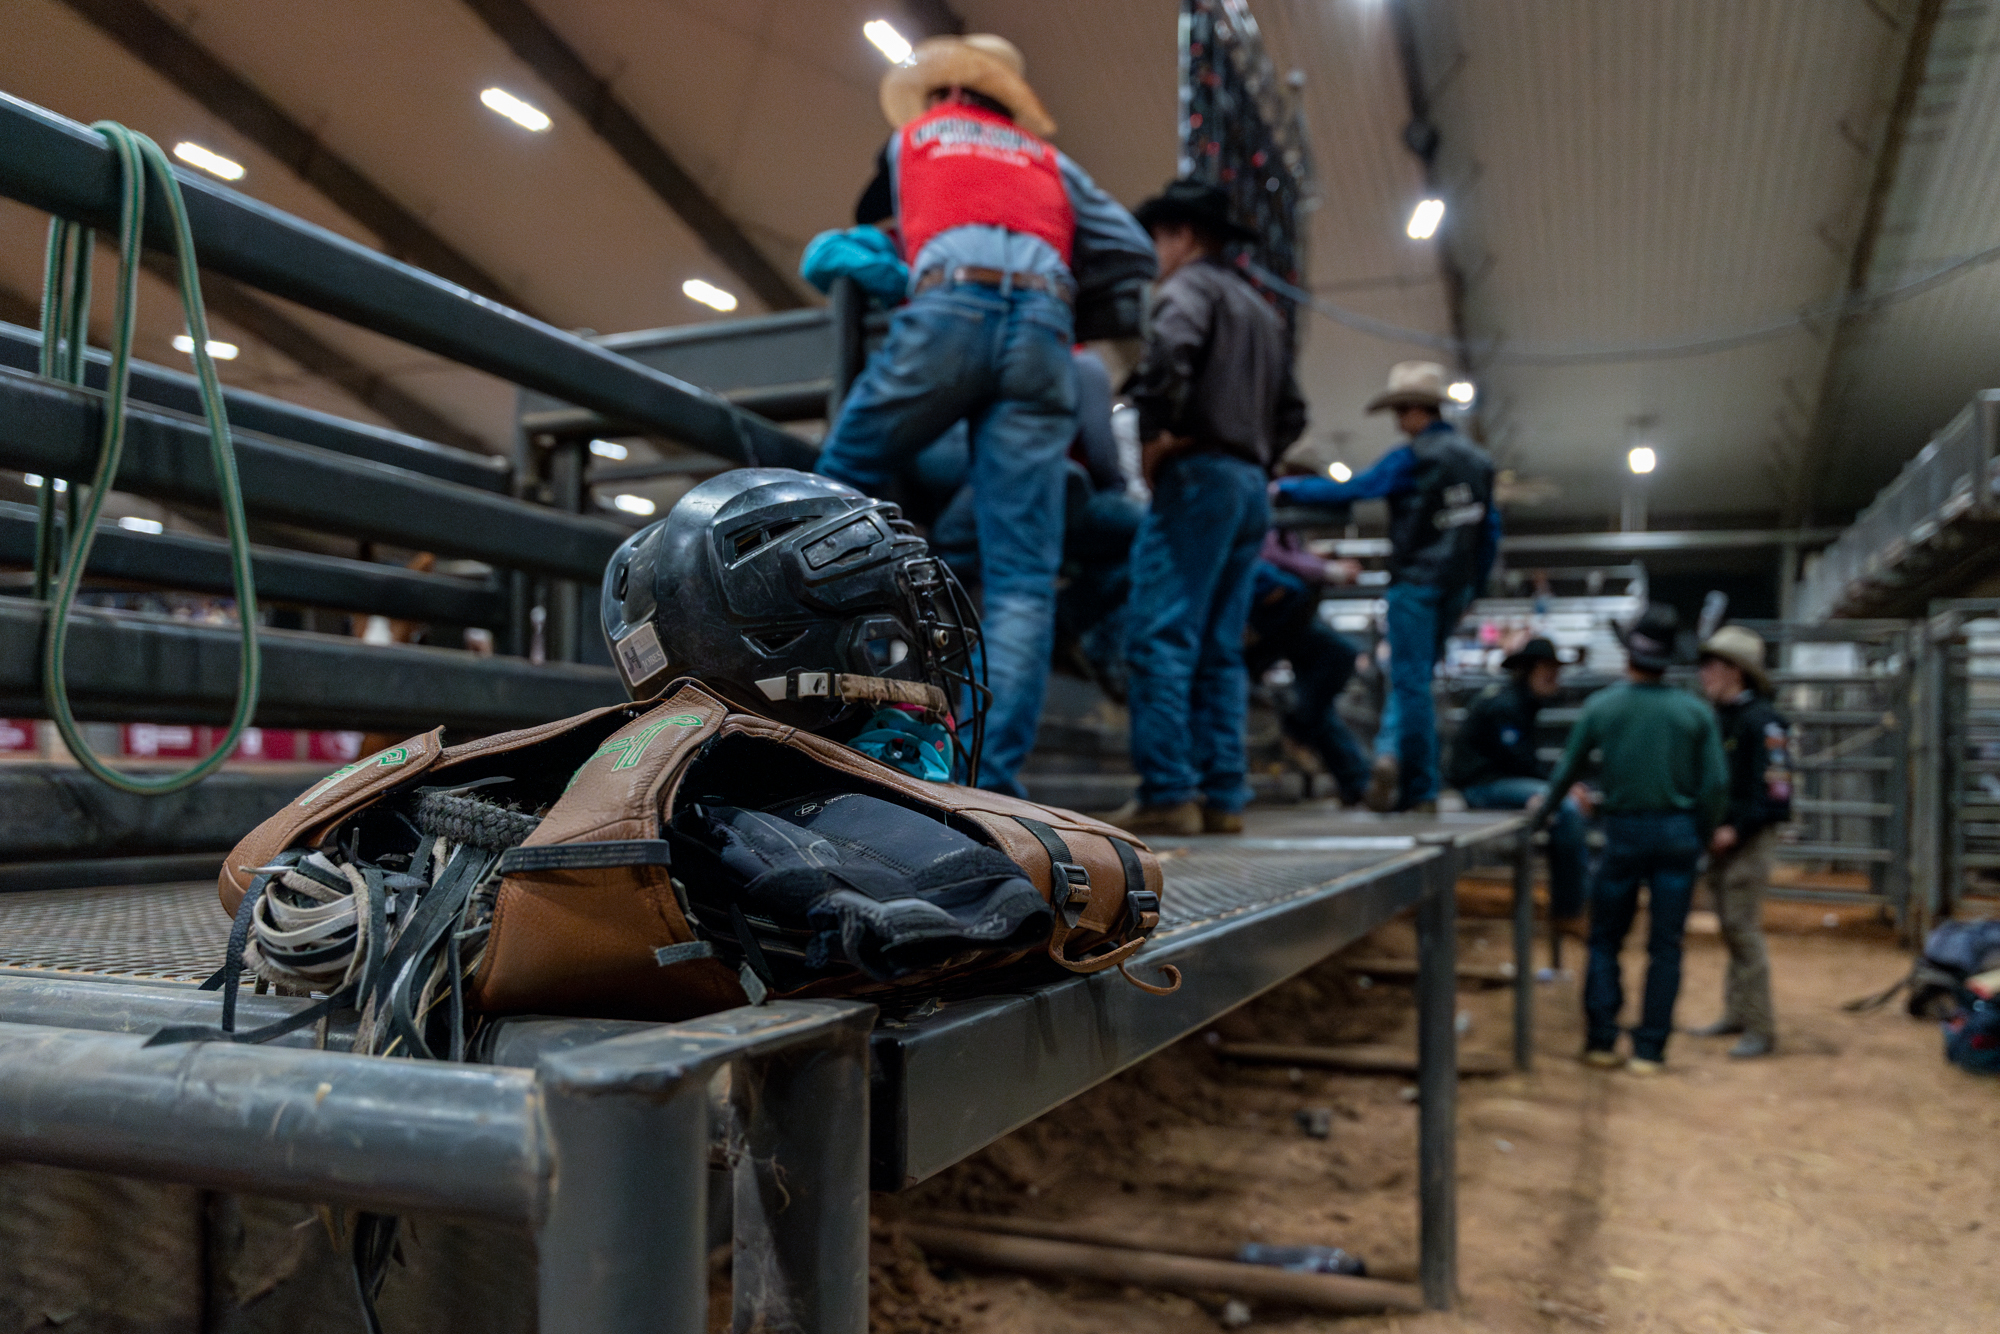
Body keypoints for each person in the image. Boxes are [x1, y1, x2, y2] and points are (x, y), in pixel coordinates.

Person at [817, 34, 1156, 796]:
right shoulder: (1049, 161)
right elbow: (1134, 250)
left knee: (837, 483)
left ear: (944, 97)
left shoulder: (914, 140)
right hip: (1043, 330)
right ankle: (987, 781)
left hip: (949, 310)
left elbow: (905, 239)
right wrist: (1060, 280)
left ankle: (829, 702)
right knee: (1023, 580)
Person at [1111, 180, 1307, 836]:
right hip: (1249, 484)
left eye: (1160, 239)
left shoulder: (1189, 289)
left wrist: (1156, 436)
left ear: (1185, 235)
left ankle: (1169, 789)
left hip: (1199, 476)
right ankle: (1224, 794)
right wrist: (1258, 456)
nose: (1156, 252)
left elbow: (1167, 356)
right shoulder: (1262, 311)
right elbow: (1294, 411)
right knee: (1221, 647)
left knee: (1160, 633)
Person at [1273, 361, 1498, 813]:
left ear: (1415, 411)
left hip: (1415, 582)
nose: (1398, 423)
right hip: (1455, 584)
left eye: (1400, 412)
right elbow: (1489, 530)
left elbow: (1358, 488)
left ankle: (1421, 789)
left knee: (1410, 682)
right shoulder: (1478, 462)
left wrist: (1289, 489)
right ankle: (1394, 758)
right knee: (1418, 680)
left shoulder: (1411, 458)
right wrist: (1475, 588)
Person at [1540, 605, 1727, 1074]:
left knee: (1605, 938)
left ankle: (1602, 1040)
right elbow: (1716, 785)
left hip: (1623, 832)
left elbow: (1567, 772)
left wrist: (1540, 815)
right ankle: (1650, 1049)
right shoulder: (1694, 712)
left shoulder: (1603, 706)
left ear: (1629, 656)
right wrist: (1702, 832)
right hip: (1678, 834)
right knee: (1665, 946)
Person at [1689, 624, 1792, 1059]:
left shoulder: (1761, 721)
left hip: (1747, 839)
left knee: (1742, 929)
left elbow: (1776, 793)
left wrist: (1735, 828)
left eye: (1712, 665)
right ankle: (1738, 1013)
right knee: (1732, 927)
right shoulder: (1724, 718)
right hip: (1725, 837)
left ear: (1736, 671)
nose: (1704, 673)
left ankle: (1760, 1027)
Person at [1448, 637, 1589, 929]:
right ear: (1530, 669)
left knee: (1563, 806)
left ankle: (1569, 905)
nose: (1555, 676)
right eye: (1548, 668)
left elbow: (1520, 760)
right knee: (1568, 810)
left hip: (1494, 782)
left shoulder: (1516, 700)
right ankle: (1568, 910)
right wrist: (1558, 790)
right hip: (1483, 786)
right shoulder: (1507, 704)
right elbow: (1517, 759)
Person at [1246, 528, 1370, 806]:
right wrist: (1324, 568)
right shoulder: (1269, 496)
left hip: (1285, 619)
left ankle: (1356, 781)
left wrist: (1310, 560)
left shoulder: (1283, 518)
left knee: (1327, 686)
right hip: (1257, 617)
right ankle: (1356, 780)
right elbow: (1268, 555)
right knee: (1335, 664)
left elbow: (1281, 556)